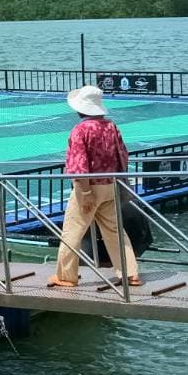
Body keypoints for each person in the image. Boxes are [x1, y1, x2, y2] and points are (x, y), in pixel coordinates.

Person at [47, 85, 141, 289]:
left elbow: (79, 166)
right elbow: (123, 155)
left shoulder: (80, 130)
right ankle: (130, 273)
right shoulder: (111, 127)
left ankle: (66, 276)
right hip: (110, 184)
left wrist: (85, 192)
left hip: (88, 188)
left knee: (72, 231)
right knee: (114, 231)